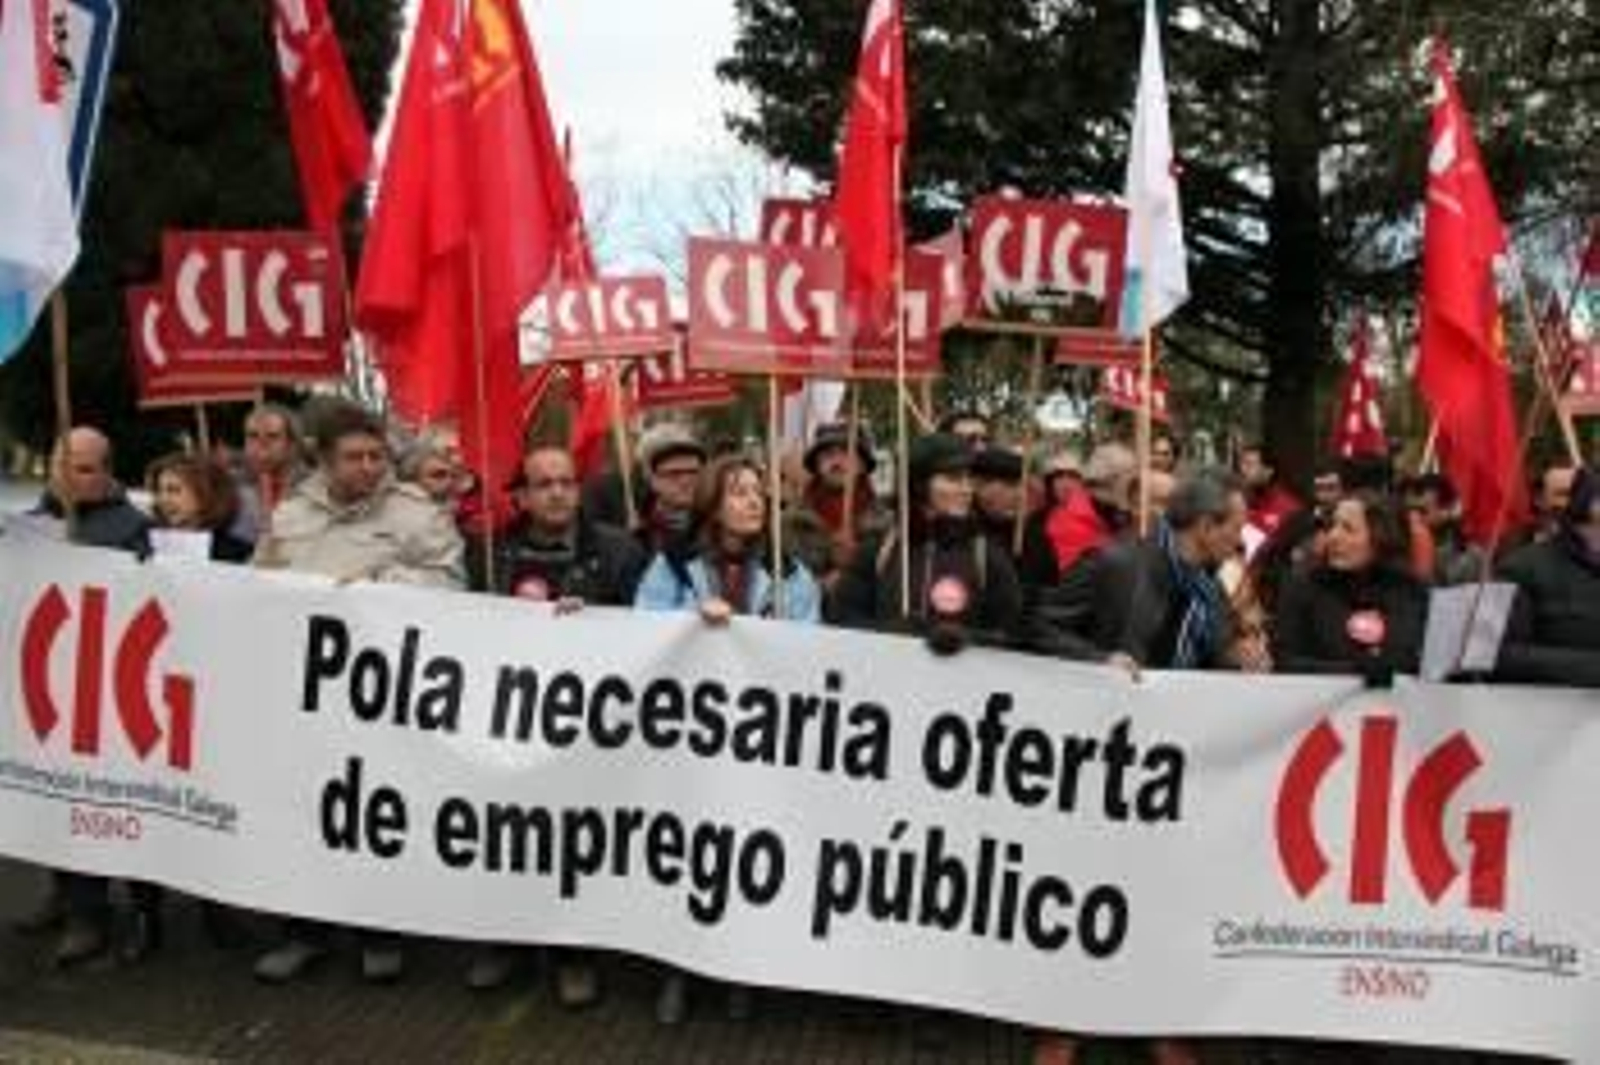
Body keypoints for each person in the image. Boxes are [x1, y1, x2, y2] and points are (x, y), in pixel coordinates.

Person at [1033, 470, 1265, 1065]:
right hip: (1101, 765)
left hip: (1171, 776)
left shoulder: (1212, 591)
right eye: (1235, 527)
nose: (1240, 540)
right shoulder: (1116, 563)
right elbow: (1038, 623)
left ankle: (1159, 1018)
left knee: (1163, 898)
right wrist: (1096, 661)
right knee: (1086, 893)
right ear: (1205, 525)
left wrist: (1239, 661)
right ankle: (1063, 1023)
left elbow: (1208, 667)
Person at [252, 401, 464, 985]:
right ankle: (304, 932)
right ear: (324, 459)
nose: (369, 466)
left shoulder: (416, 513)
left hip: (383, 695)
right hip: (307, 694)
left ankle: (381, 933)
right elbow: (256, 584)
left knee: (374, 814)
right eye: (355, 457)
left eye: (377, 456)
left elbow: (451, 581)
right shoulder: (291, 515)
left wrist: (378, 586)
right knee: (305, 813)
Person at [634, 456, 820, 1024]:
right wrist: (694, 619)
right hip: (691, 739)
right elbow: (642, 625)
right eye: (739, 492)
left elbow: (812, 649)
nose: (754, 501)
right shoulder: (672, 564)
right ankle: (678, 970)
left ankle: (739, 971)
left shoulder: (792, 574)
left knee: (745, 854)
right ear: (713, 503)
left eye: (759, 492)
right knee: (688, 852)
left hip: (758, 740)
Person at [462, 444, 644, 999]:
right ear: (522, 495)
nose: (559, 492)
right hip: (511, 720)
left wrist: (594, 620)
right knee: (509, 835)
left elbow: (648, 628)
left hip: (590, 725)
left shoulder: (617, 551)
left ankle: (575, 955)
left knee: (573, 841)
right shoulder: (490, 554)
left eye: (566, 481)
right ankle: (507, 943)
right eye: (544, 484)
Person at [16, 428, 153, 966]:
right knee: (50, 798)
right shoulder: (30, 525)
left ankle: (90, 913)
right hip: (44, 685)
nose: (69, 474)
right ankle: (62, 891)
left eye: (84, 466)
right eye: (61, 462)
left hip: (101, 691)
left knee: (89, 803)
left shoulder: (134, 529)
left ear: (105, 472)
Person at [832, 433, 1023, 653]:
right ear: (920, 484)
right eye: (953, 479)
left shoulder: (986, 555)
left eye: (969, 479)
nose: (966, 489)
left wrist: (968, 639)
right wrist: (888, 632)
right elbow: (841, 621)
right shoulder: (878, 550)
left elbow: (1012, 635)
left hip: (962, 685)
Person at [1272, 493, 1429, 681]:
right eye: (1333, 525)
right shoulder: (1303, 587)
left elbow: (1417, 661)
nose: (1333, 537)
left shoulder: (1410, 591)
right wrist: (1358, 670)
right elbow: (1285, 662)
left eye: (1348, 529)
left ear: (1381, 538)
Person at [1494, 466, 1600, 687]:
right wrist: (1590, 667)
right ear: (1591, 504)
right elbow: (1502, 654)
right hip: (1553, 715)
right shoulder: (1522, 568)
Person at [794, 421, 889, 585]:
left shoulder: (886, 522)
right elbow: (784, 583)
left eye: (846, 453)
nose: (837, 462)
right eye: (828, 454)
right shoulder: (792, 522)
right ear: (816, 464)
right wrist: (822, 583)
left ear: (862, 465)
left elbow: (895, 580)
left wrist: (857, 561)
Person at [1044, 442, 1137, 577]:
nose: (1066, 483)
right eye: (1059, 476)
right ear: (1107, 480)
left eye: (1072, 476)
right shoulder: (1065, 523)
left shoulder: (1121, 514)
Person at [147, 452, 253, 563]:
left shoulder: (238, 554)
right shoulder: (146, 543)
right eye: (159, 491)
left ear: (204, 495)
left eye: (174, 490)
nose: (163, 499)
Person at [231, 404, 306, 545]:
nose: (261, 444)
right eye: (252, 436)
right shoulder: (232, 489)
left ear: (292, 444)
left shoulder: (315, 488)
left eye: (272, 436)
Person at [632, 423, 708, 557]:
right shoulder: (637, 540)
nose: (685, 481)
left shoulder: (722, 529)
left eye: (693, 472)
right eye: (674, 473)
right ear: (651, 478)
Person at [1237, 443, 1302, 540]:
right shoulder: (1237, 504)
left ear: (1269, 470)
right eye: (1242, 464)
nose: (1243, 470)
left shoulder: (1289, 509)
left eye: (1249, 464)